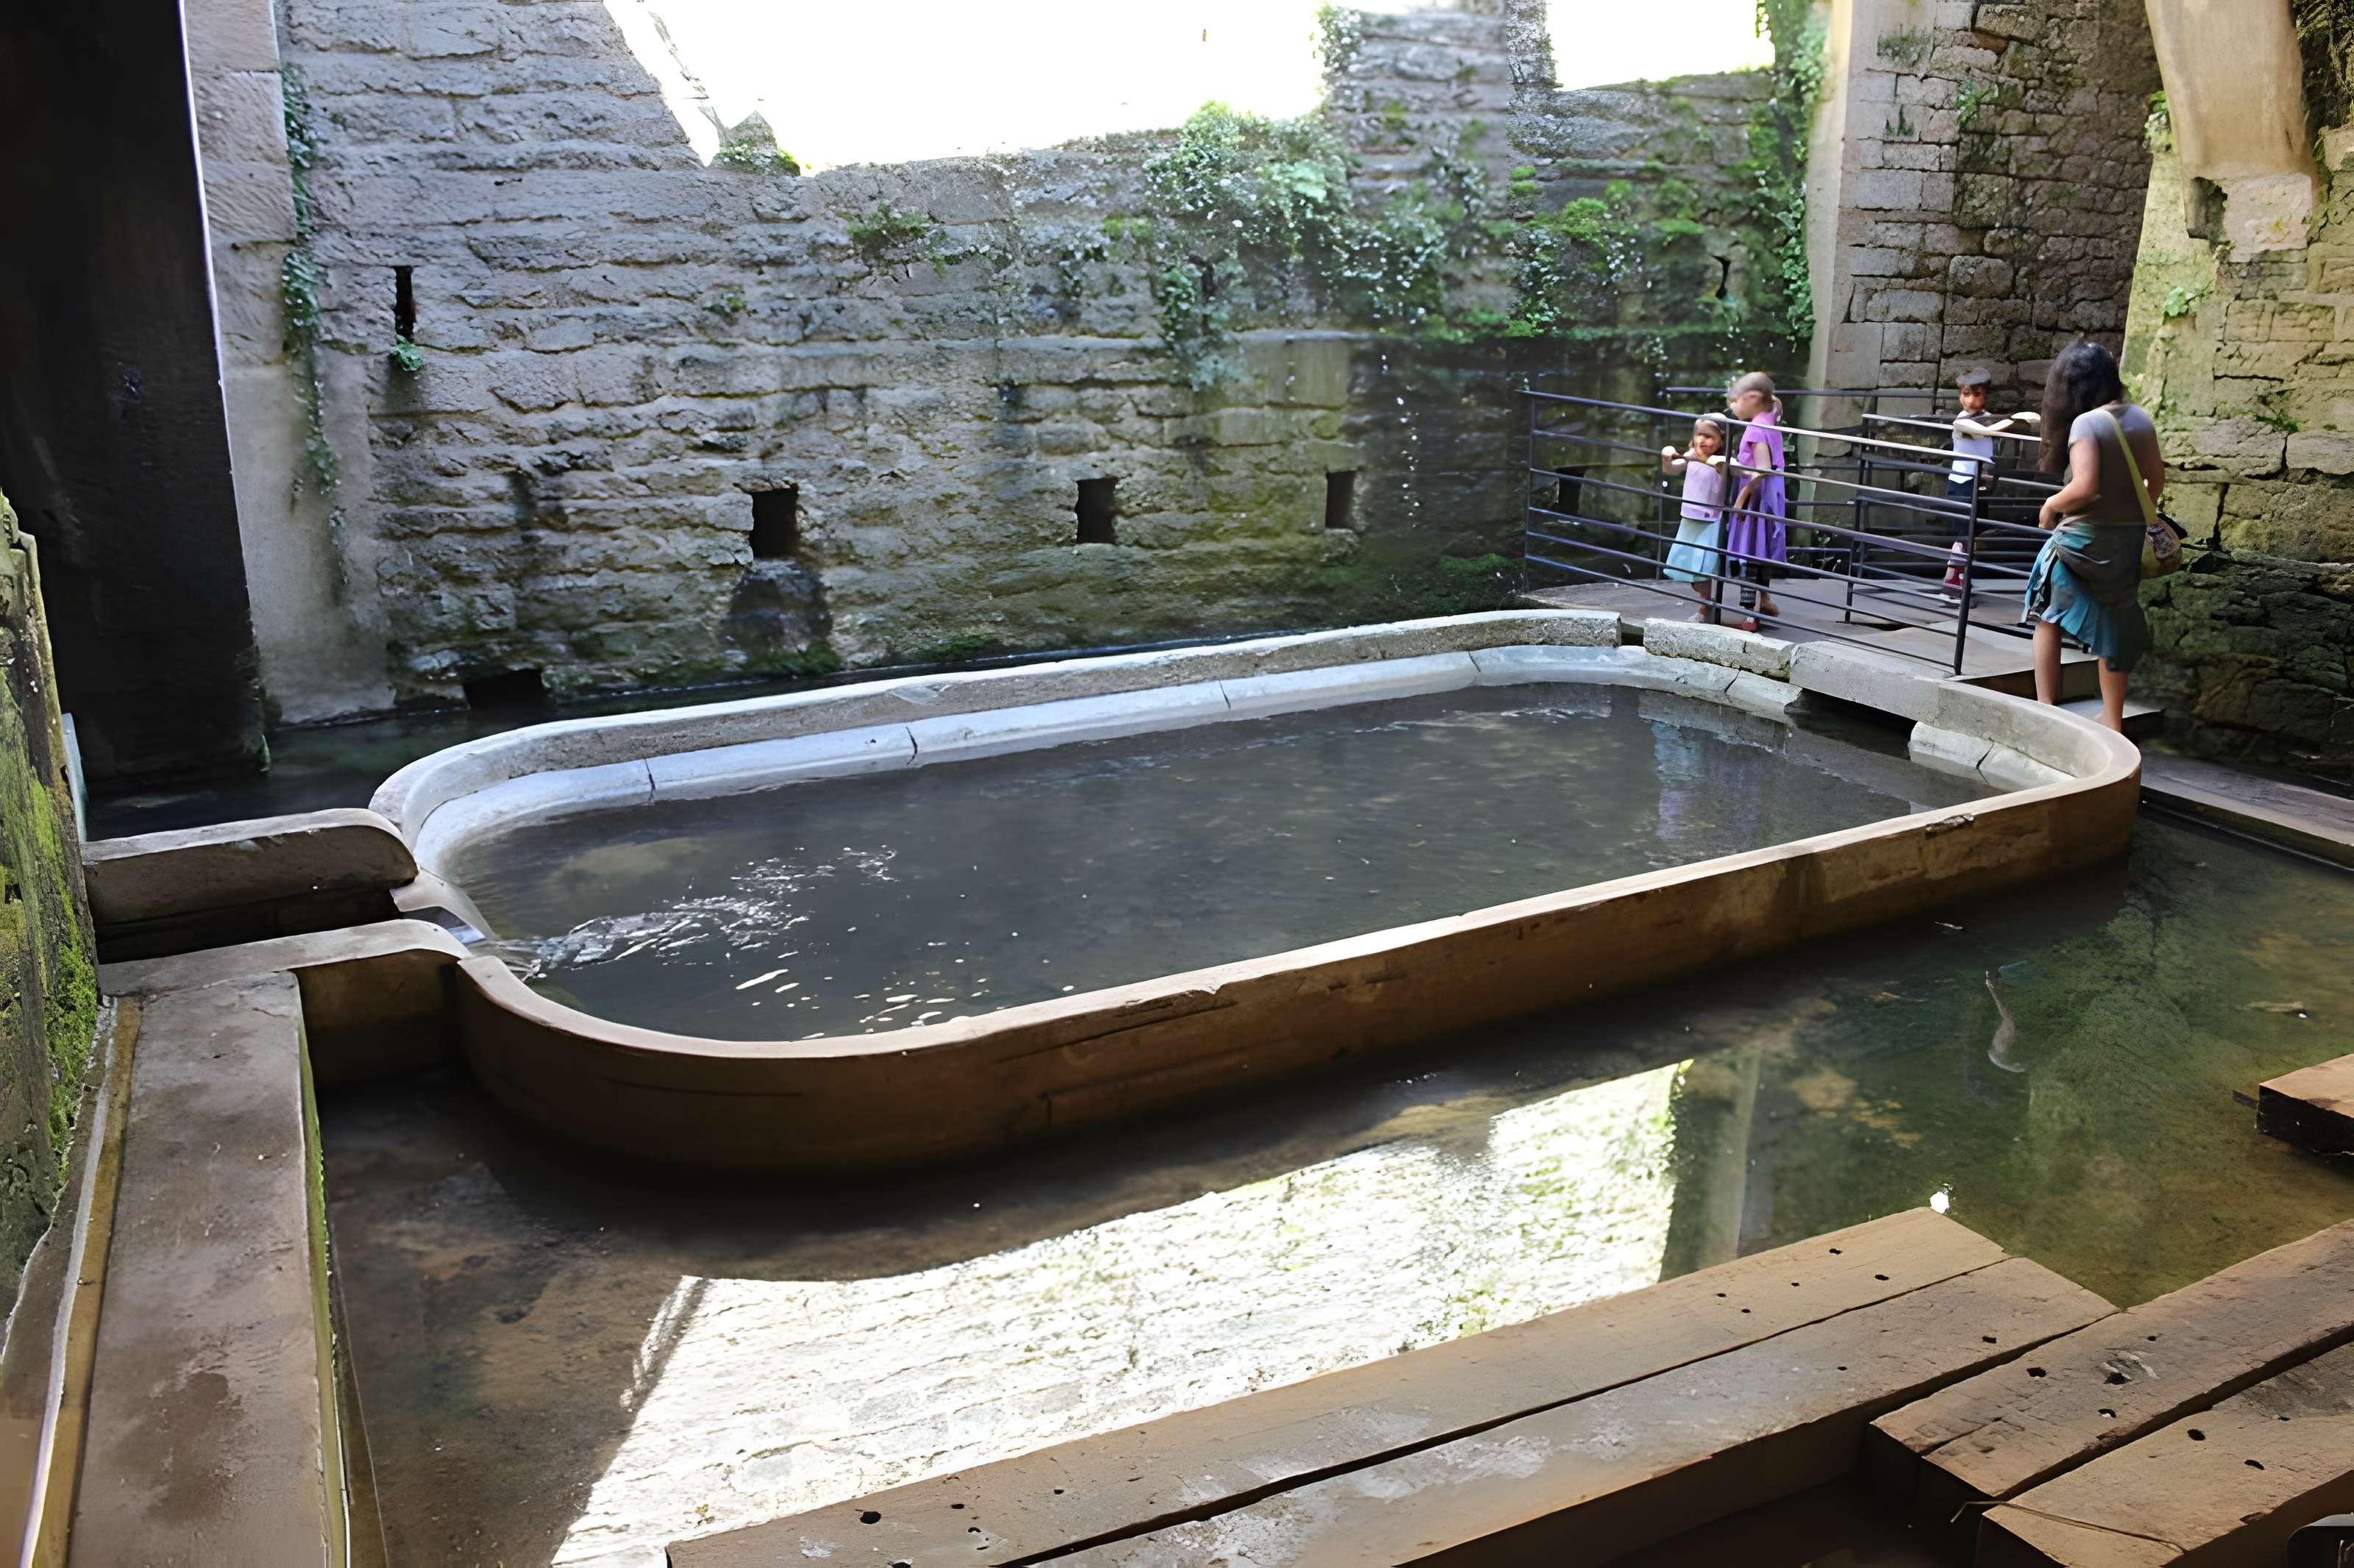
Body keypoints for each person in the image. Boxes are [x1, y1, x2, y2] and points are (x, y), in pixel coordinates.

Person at [2024, 338, 2158, 733]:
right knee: (2115, 623)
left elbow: (2086, 488)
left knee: (2045, 610)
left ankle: (2046, 705)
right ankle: (2113, 720)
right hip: (2128, 540)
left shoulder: (2087, 423)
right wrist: (2126, 515)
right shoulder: (2140, 418)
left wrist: (2050, 506)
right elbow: (2155, 482)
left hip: (2084, 540)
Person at [1939, 369, 2038, 603]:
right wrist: (2015, 420)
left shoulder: (1987, 416)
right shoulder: (1962, 422)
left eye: (1977, 394)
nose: (1972, 400)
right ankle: (1954, 587)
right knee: (1964, 537)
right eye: (1966, 394)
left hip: (1980, 485)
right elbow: (1984, 431)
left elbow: (1991, 428)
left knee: (1973, 537)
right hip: (1962, 485)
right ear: (1960, 396)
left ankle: (1957, 583)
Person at [1722, 371, 1788, 630]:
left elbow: (1762, 469)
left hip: (1755, 500)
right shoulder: (1769, 419)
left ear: (1751, 398)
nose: (1732, 407)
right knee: (1760, 552)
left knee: (1748, 553)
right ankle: (1765, 599)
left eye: (1735, 400)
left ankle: (1750, 613)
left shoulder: (1756, 429)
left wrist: (1740, 498)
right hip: (1768, 499)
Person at [1660, 416, 1730, 622]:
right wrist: (1667, 458)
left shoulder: (1722, 461)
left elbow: (1736, 474)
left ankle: (1704, 606)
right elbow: (1670, 470)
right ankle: (1705, 601)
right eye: (1700, 435)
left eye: (1710, 437)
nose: (1703, 441)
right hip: (1690, 518)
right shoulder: (1691, 455)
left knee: (1704, 568)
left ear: (1721, 441)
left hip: (1710, 520)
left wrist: (1723, 467)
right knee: (1687, 565)